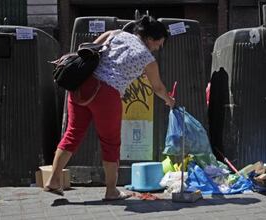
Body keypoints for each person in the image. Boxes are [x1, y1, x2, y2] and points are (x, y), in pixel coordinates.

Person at [44, 15, 175, 200]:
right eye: (159, 43)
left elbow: (89, 50)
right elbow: (158, 88)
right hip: (106, 94)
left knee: (72, 133)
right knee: (110, 143)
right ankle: (111, 191)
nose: (158, 48)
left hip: (81, 85)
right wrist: (169, 100)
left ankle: (53, 180)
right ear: (150, 39)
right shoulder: (148, 58)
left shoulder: (116, 34)